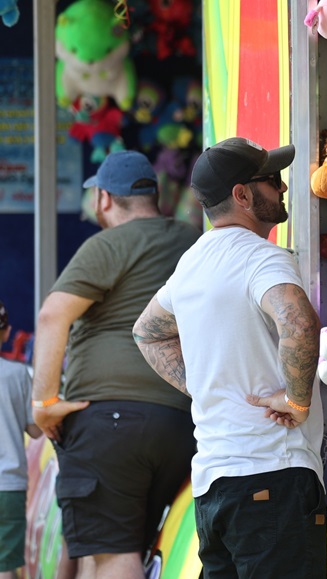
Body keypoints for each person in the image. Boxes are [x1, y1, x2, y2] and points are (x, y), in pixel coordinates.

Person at [132, 137, 327, 578]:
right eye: (271, 180)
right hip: (273, 475)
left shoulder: (192, 262)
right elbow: (298, 322)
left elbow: (146, 333)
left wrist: (202, 383)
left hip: (213, 487)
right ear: (242, 195)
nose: (281, 188)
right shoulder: (263, 257)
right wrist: (297, 402)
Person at [31, 151, 200, 579]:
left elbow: (52, 316)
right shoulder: (192, 241)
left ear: (105, 198)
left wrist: (44, 402)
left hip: (110, 424)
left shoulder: (107, 244)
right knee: (117, 551)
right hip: (180, 423)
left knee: (113, 558)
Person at [0, 300, 43, 579]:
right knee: (5, 567)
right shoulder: (17, 375)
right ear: (5, 332)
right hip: (8, 487)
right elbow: (36, 430)